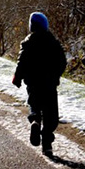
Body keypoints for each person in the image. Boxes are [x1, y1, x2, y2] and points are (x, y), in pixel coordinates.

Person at [12, 11, 67, 156]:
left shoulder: (28, 42)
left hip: (33, 83)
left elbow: (21, 62)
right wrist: (56, 75)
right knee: (51, 115)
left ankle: (35, 121)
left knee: (35, 107)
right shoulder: (53, 42)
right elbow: (62, 61)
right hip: (49, 84)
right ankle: (47, 144)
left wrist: (17, 78)